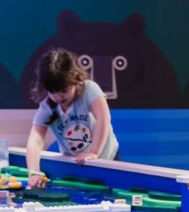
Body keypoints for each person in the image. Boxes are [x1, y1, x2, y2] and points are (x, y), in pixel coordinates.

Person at [25, 48, 119, 188]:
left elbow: (103, 117)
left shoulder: (89, 89)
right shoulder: (48, 106)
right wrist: (33, 172)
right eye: (52, 92)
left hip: (107, 158)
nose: (58, 97)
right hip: (76, 162)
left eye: (64, 91)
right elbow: (36, 139)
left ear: (75, 78)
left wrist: (94, 151)